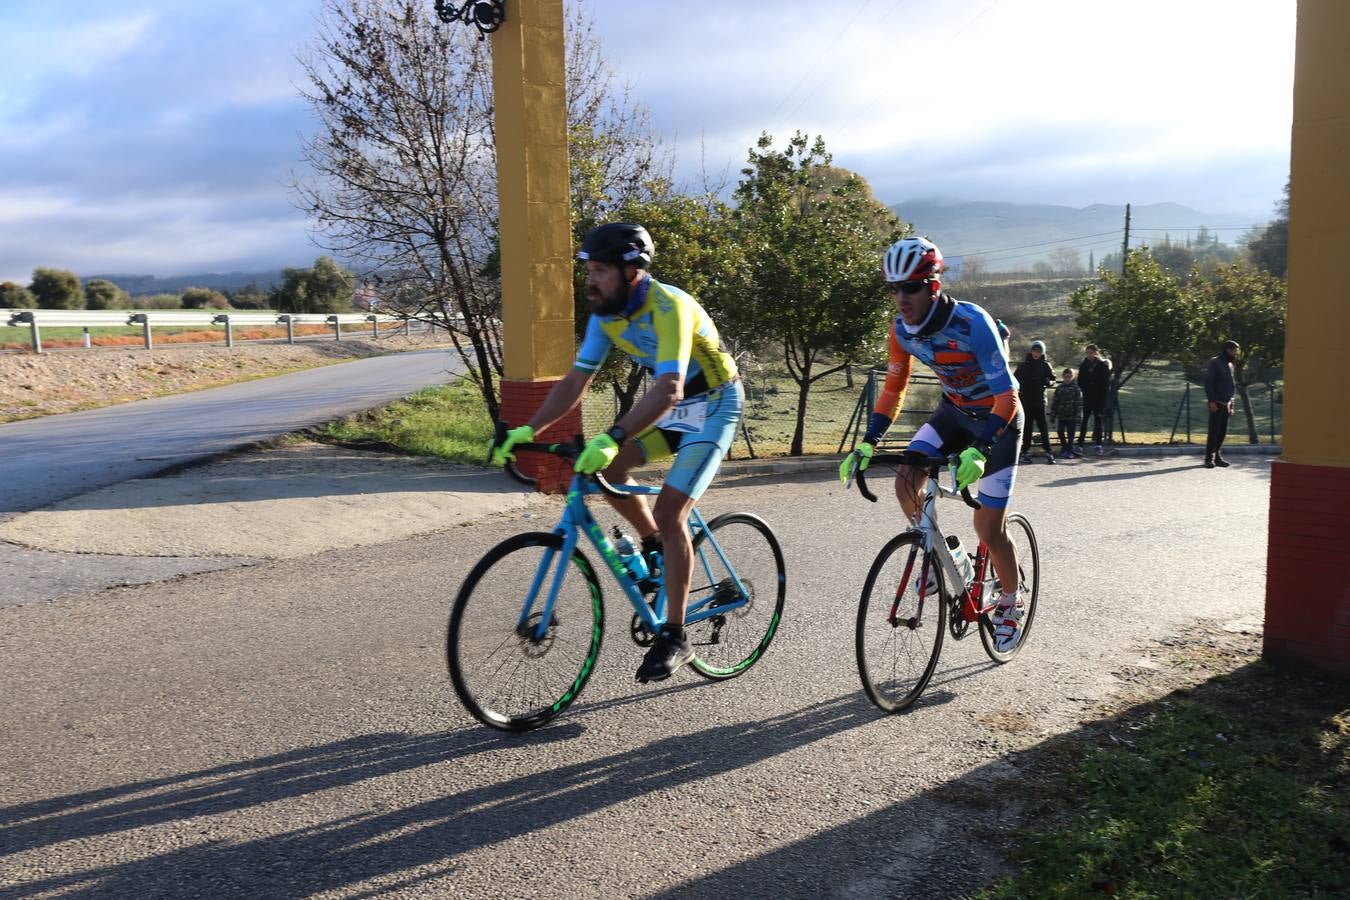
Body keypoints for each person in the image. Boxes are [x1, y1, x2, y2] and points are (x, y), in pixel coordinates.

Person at [490, 223, 744, 682]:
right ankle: (655, 549)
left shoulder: (669, 307)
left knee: (671, 512)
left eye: (601, 270)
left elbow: (669, 386)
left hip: (714, 405)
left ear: (633, 272)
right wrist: (529, 427)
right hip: (679, 409)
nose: (590, 280)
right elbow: (574, 382)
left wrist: (611, 434)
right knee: (612, 474)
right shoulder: (606, 316)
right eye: (589, 269)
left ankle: (675, 635)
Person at [838, 236, 1028, 652]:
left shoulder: (972, 323)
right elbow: (892, 389)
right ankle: (944, 556)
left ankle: (1011, 602)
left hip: (999, 420)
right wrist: (869, 441)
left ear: (933, 286)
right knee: (906, 479)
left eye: (910, 287)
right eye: (893, 288)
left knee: (988, 527)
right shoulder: (900, 331)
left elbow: (1007, 397)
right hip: (954, 412)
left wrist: (980, 449)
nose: (901, 297)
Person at [1014, 340, 1056, 464]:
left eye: (1038, 351)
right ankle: (1024, 452)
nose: (1036, 353)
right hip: (1026, 400)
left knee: (1043, 427)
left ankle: (1048, 451)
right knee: (1027, 428)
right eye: (1034, 351)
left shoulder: (1046, 365)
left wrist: (1049, 382)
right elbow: (1015, 379)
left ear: (1042, 352)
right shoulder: (1024, 365)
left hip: (1040, 400)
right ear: (1031, 351)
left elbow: (1053, 378)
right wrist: (1021, 387)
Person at [1203, 339, 1240, 468]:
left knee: (1222, 432)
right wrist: (1212, 401)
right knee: (1213, 431)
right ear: (1228, 350)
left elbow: (1231, 385)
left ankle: (1217, 457)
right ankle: (1208, 458)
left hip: (1227, 404)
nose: (1236, 353)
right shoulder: (1215, 362)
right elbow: (1208, 382)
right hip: (1216, 402)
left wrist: (1232, 403)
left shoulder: (1230, 365)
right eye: (1234, 350)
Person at [1075, 343, 1112, 455]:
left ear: (1096, 352)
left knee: (1098, 421)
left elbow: (1106, 384)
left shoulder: (1102, 365)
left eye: (1091, 352)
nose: (1089, 355)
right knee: (1084, 420)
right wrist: (1084, 389)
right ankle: (1080, 445)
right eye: (1087, 353)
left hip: (1099, 397)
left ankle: (1098, 445)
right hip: (1087, 396)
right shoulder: (1084, 365)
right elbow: (1080, 381)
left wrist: (1103, 398)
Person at [1051, 367, 1083, 458]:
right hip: (1061, 415)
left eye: (1069, 377)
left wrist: (1078, 416)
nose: (1067, 379)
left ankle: (1069, 451)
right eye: (1065, 377)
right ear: (1063, 377)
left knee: (1070, 434)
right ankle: (1065, 447)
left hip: (1072, 415)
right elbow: (1055, 401)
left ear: (1073, 377)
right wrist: (1053, 414)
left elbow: (1079, 404)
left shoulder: (1076, 389)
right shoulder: (1060, 388)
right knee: (1060, 431)